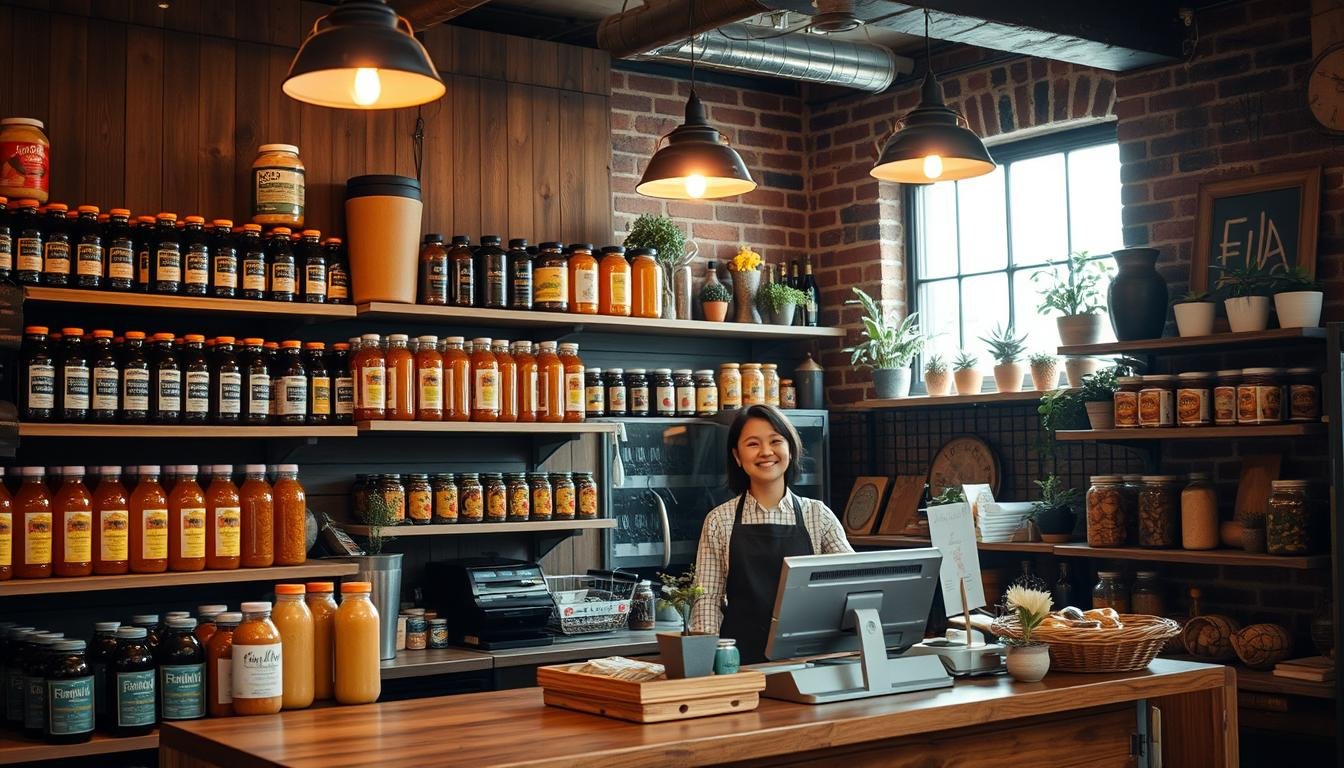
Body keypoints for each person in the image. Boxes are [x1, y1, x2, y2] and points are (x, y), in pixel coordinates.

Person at [691, 404, 852, 663]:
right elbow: (707, 600)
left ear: (790, 448)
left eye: (776, 441)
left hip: (810, 661)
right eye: (753, 444)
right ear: (737, 456)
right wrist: (706, 661)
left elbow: (852, 584)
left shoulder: (818, 516)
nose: (766, 452)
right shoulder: (719, 521)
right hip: (742, 663)